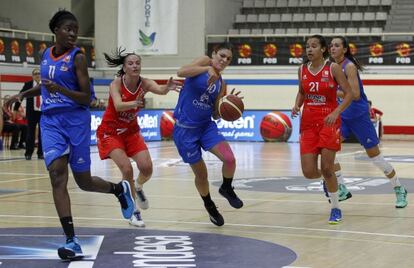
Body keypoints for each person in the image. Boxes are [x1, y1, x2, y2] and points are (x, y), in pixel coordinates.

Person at [3, 10, 135, 261]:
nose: (73, 33)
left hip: (76, 121)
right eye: (68, 29)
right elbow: (44, 85)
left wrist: (60, 89)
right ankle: (71, 240)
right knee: (57, 176)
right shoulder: (44, 54)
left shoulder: (78, 58)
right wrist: (22, 95)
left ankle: (119, 190)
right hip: (51, 121)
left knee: (84, 181)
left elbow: (87, 97)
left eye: (75, 29)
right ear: (56, 30)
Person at [97, 48, 181, 227]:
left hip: (131, 131)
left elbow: (159, 89)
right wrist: (135, 103)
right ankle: (133, 211)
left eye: (137, 63)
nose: (135, 66)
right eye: (130, 63)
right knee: (126, 169)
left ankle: (138, 186)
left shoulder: (145, 83)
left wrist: (167, 88)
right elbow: (119, 105)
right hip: (110, 132)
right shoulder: (116, 84)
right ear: (124, 68)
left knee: (147, 168)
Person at [329, 36, 407, 208]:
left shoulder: (348, 66)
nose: (332, 48)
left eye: (337, 45)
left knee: (376, 158)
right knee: (329, 151)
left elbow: (355, 94)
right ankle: (342, 187)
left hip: (358, 116)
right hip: (343, 116)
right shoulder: (331, 67)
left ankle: (399, 188)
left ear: (344, 49)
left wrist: (332, 91)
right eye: (331, 45)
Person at [173, 42, 243, 227]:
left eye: (228, 59)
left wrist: (229, 106)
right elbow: (181, 72)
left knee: (230, 159)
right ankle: (209, 205)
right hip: (185, 130)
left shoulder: (222, 82)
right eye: (221, 55)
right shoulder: (204, 62)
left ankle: (226, 188)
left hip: (206, 126)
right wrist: (206, 68)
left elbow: (215, 113)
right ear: (213, 54)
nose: (224, 60)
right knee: (202, 176)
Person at [291, 35, 354, 224]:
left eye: (314, 46)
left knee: (327, 168)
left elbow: (350, 93)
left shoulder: (332, 68)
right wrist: (296, 105)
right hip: (308, 123)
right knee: (309, 172)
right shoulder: (301, 69)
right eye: (307, 47)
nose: (309, 50)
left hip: (329, 121)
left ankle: (335, 208)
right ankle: (328, 180)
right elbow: (302, 91)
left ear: (323, 49)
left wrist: (336, 112)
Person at [16, 68, 43, 159]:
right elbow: (21, 95)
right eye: (35, 74)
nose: (37, 75)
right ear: (32, 76)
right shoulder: (28, 84)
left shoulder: (45, 84)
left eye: (39, 73)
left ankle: (41, 153)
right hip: (32, 112)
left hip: (43, 112)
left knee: (42, 134)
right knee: (30, 133)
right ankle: (28, 153)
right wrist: (16, 108)